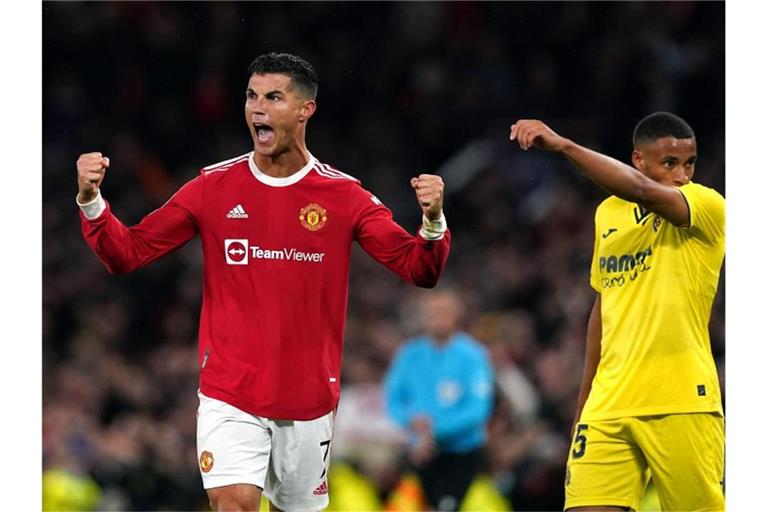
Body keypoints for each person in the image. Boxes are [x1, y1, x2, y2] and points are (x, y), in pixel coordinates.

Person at [76, 52, 451, 512]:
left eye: (274, 97)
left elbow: (419, 269)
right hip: (230, 391)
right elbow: (128, 253)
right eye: (252, 96)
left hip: (310, 400)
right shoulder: (212, 187)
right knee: (233, 503)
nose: (257, 108)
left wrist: (432, 222)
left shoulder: (345, 197)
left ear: (304, 109)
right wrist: (92, 202)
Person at [509, 112, 724, 511]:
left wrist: (564, 146)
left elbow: (641, 190)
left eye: (689, 162)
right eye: (669, 163)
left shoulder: (706, 205)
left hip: (679, 399)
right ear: (639, 159)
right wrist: (584, 406)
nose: (682, 175)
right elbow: (603, 307)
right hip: (609, 404)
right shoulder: (607, 213)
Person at [383, 288, 495, 511]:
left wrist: (433, 431)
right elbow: (393, 399)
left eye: (443, 311)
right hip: (419, 453)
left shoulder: (473, 356)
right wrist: (410, 421)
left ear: (456, 315)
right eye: (432, 311)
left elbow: (478, 410)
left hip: (460, 455)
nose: (437, 317)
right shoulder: (409, 354)